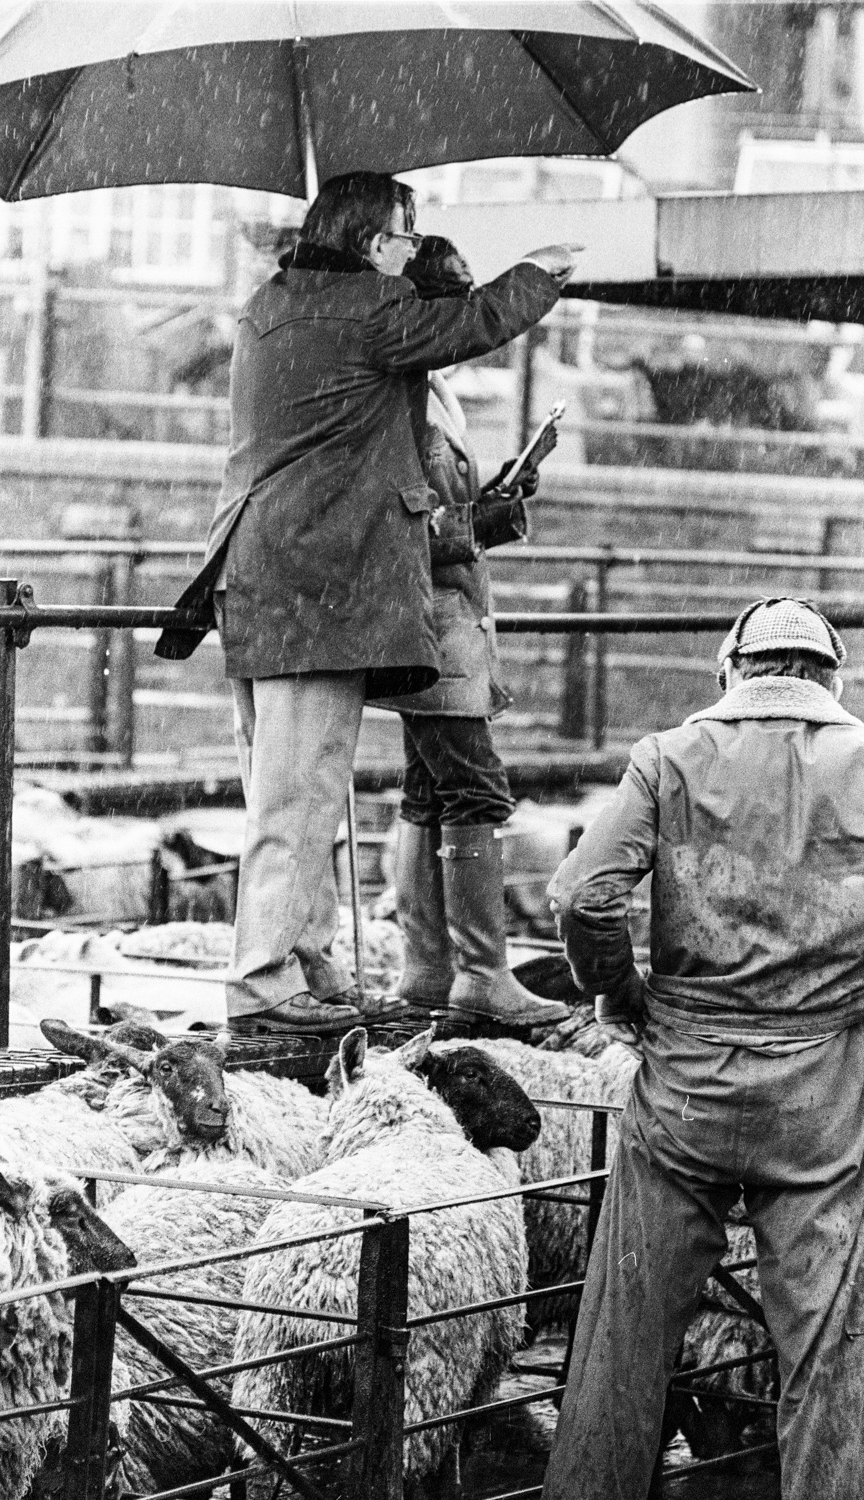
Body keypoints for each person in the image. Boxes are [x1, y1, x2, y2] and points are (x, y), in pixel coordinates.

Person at [155, 171, 579, 1034]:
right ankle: (265, 985)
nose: (408, 250)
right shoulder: (367, 307)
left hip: (260, 571)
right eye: (404, 234)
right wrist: (538, 273)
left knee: (286, 792)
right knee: (300, 798)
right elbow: (471, 323)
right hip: (319, 583)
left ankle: (307, 964)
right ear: (371, 242)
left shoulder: (271, 303)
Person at [541, 597, 864, 1500]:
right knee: (830, 1350)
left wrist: (620, 992)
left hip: (683, 1086)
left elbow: (582, 897)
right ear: (831, 680)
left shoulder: (670, 756)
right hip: (821, 1100)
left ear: (731, 672)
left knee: (624, 1338)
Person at [378, 235, 570, 1028]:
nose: (470, 309)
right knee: (475, 789)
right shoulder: (407, 399)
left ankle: (429, 966)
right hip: (433, 623)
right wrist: (480, 522)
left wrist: (496, 498)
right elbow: (399, 529)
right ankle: (482, 972)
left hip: (440, 622)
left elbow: (429, 510)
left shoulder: (427, 390)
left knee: (430, 791)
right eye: (458, 294)